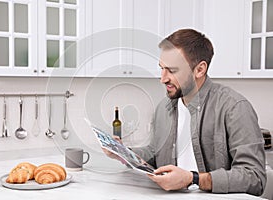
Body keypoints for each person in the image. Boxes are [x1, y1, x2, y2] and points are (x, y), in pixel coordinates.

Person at [104, 28, 266, 196]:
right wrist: (122, 152)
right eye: (162, 68)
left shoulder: (234, 107)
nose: (163, 78)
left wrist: (193, 179)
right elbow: (154, 154)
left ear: (200, 70)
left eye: (172, 70)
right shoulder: (163, 108)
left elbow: (255, 178)